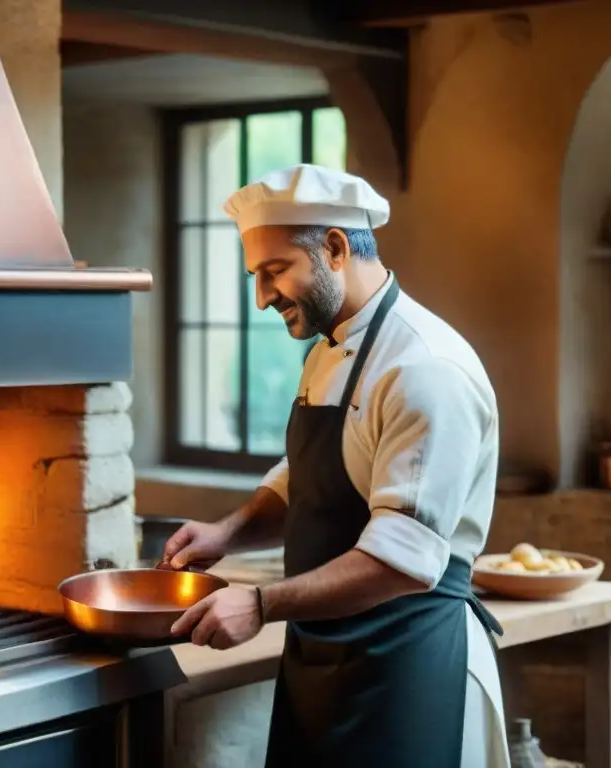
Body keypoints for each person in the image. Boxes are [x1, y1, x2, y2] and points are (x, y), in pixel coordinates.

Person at [163, 164, 510, 767]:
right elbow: (311, 477)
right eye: (255, 275)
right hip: (325, 659)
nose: (262, 297)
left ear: (335, 247)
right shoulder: (330, 349)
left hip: (409, 665)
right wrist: (230, 533)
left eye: (275, 272)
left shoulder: (425, 370)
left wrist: (261, 604)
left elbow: (401, 561)